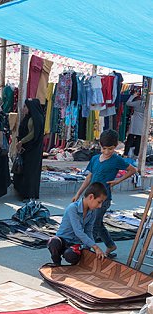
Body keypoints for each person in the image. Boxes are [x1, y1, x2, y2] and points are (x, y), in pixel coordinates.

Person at [72, 129, 137, 258]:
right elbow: (89, 177)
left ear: (116, 146)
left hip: (103, 199)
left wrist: (117, 181)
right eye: (104, 148)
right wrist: (78, 194)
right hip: (90, 197)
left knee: (94, 224)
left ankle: (88, 251)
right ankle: (110, 245)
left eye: (111, 149)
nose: (107, 152)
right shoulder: (95, 159)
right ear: (100, 146)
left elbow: (132, 170)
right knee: (95, 222)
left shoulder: (117, 160)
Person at [47, 182, 107, 265]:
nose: (100, 206)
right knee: (53, 242)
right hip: (63, 241)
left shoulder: (93, 212)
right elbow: (78, 231)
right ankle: (57, 263)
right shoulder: (73, 208)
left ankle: (75, 262)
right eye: (99, 202)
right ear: (91, 197)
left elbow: (88, 231)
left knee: (71, 255)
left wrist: (88, 250)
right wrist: (95, 247)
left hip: (74, 244)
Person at [13, 98, 45, 201]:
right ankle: (23, 193)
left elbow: (33, 134)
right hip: (26, 149)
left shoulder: (36, 118)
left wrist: (21, 142)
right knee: (25, 170)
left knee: (31, 172)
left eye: (26, 107)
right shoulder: (29, 117)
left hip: (33, 150)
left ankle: (29, 194)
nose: (24, 109)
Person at [123, 87, 144, 158]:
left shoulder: (138, 102)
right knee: (139, 139)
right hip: (142, 123)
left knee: (130, 138)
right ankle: (136, 155)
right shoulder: (146, 103)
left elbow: (128, 103)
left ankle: (125, 154)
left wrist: (133, 96)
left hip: (135, 122)